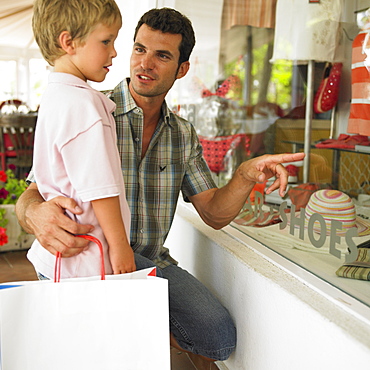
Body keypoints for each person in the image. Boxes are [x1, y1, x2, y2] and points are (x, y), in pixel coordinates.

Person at [16, 7, 305, 364]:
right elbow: (35, 187)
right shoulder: (90, 106)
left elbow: (213, 213)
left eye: (162, 55)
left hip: (150, 262)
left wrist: (244, 175)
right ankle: (131, 331)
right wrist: (33, 212)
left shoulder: (182, 134)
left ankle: (137, 324)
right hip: (91, 260)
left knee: (218, 338)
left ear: (182, 68)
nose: (144, 63)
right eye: (139, 49)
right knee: (91, 350)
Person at [28, 0, 135, 279]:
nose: (113, 52)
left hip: (60, 262)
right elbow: (100, 189)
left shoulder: (56, 97)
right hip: (88, 263)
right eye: (106, 41)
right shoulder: (82, 104)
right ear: (69, 42)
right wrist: (121, 247)